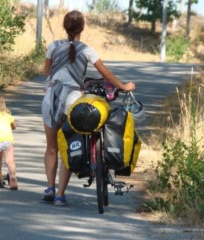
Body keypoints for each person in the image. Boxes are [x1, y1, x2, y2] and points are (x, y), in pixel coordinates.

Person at [41, 10, 136, 205]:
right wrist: (125, 86)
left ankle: (49, 188)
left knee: (51, 147)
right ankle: (60, 195)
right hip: (73, 100)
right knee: (68, 145)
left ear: (64, 27)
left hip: (51, 98)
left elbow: (46, 72)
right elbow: (107, 75)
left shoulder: (53, 46)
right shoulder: (87, 50)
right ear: (82, 28)